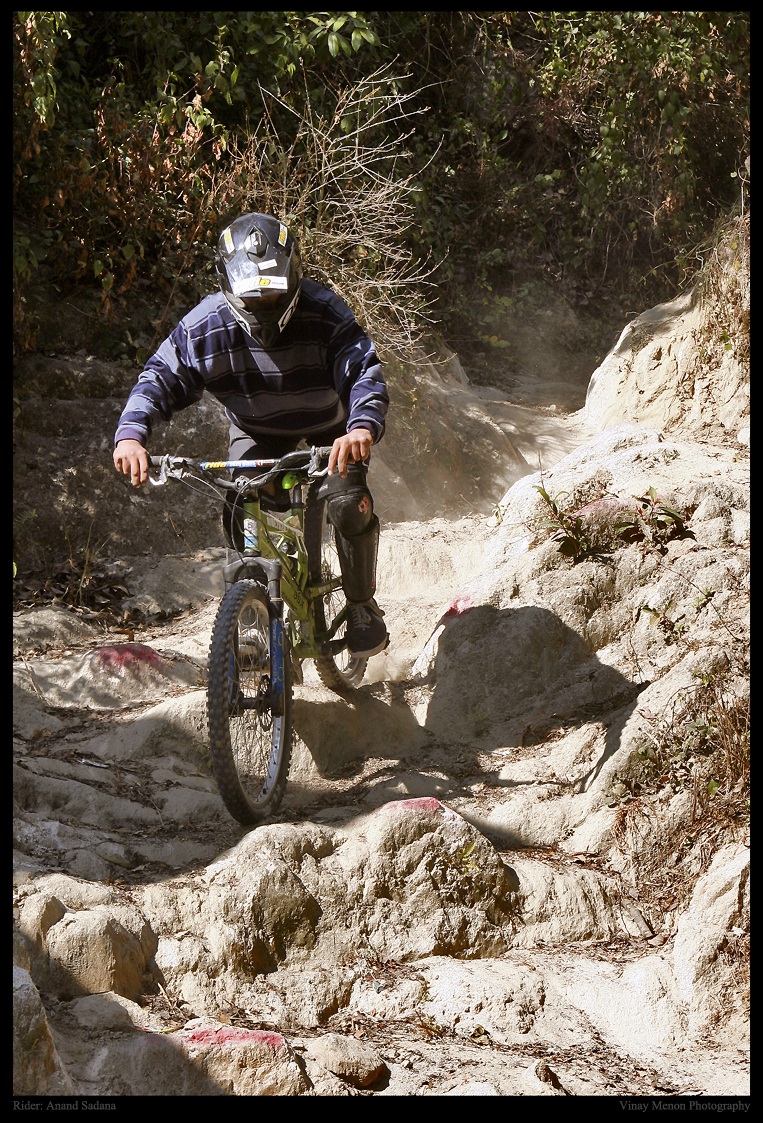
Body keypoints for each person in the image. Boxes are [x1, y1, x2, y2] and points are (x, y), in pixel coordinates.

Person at [113, 212, 389, 658]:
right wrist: (131, 434)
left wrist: (361, 427)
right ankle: (253, 614)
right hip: (257, 430)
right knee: (242, 506)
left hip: (333, 429)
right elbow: (160, 376)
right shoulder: (206, 325)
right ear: (226, 283)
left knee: (345, 501)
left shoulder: (326, 312)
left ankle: (361, 605)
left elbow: (363, 372)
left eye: (272, 291)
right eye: (251, 294)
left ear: (294, 277)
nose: (262, 303)